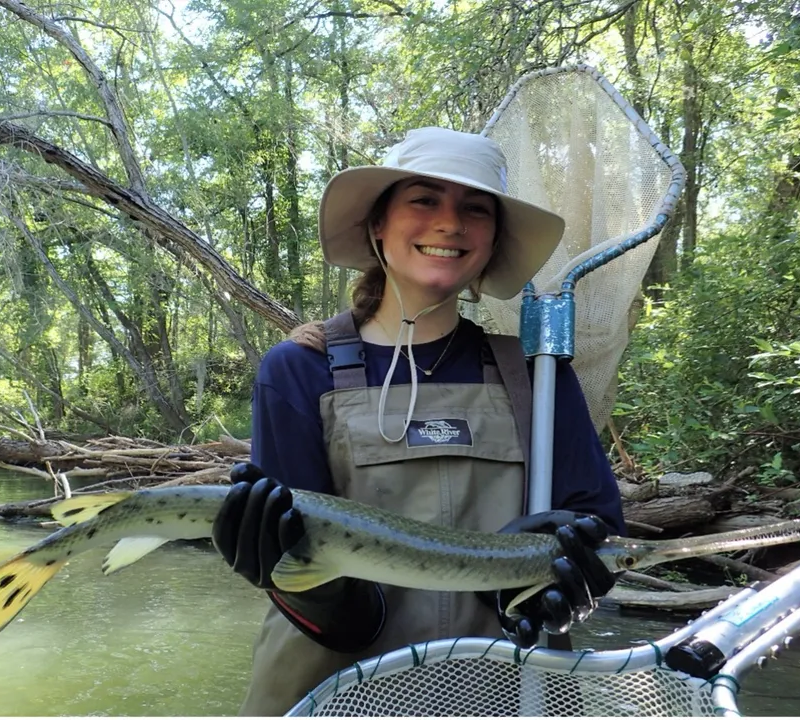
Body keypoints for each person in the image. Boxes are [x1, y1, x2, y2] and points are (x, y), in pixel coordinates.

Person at [212, 127, 626, 716]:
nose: (451, 223)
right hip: (331, 695)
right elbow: (295, 559)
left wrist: (564, 585)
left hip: (510, 694)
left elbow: (599, 529)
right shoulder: (299, 371)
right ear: (379, 224)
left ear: (492, 241)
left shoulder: (539, 379)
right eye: (424, 200)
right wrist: (311, 592)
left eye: (475, 209)